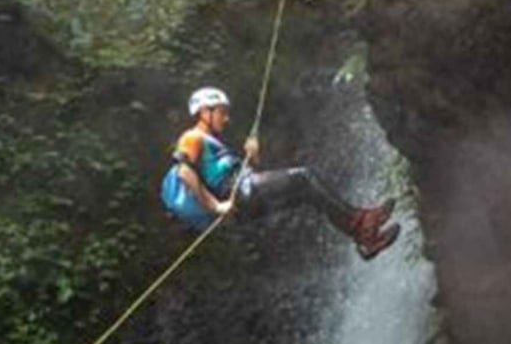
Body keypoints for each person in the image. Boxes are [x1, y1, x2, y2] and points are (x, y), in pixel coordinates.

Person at [160, 87, 401, 260]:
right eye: (221, 111)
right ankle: (361, 222)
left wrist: (252, 156)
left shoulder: (213, 143)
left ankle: (364, 237)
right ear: (205, 112)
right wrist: (215, 206)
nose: (226, 117)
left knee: (308, 194)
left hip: (242, 201)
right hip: (239, 194)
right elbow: (184, 172)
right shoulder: (192, 137)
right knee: (304, 177)